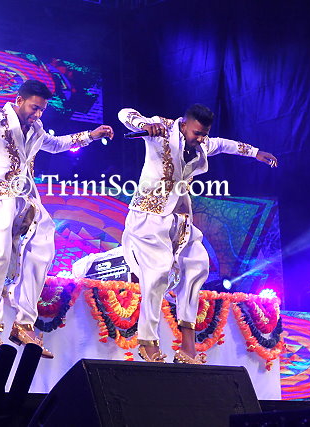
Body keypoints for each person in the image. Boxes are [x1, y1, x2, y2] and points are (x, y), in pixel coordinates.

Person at [0, 79, 114, 355]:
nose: (38, 114)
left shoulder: (37, 128)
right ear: (19, 100)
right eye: (34, 108)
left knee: (41, 249)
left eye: (41, 109)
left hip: (26, 197)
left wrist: (91, 135)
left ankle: (24, 323)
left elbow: (57, 144)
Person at [118, 104, 277, 363]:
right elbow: (125, 113)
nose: (201, 139)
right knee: (157, 274)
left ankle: (187, 347)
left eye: (204, 134)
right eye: (197, 133)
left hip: (180, 218)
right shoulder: (162, 129)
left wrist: (255, 152)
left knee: (197, 266)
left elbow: (224, 144)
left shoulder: (201, 145)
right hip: (149, 215)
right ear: (184, 125)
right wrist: (144, 125)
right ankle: (147, 341)